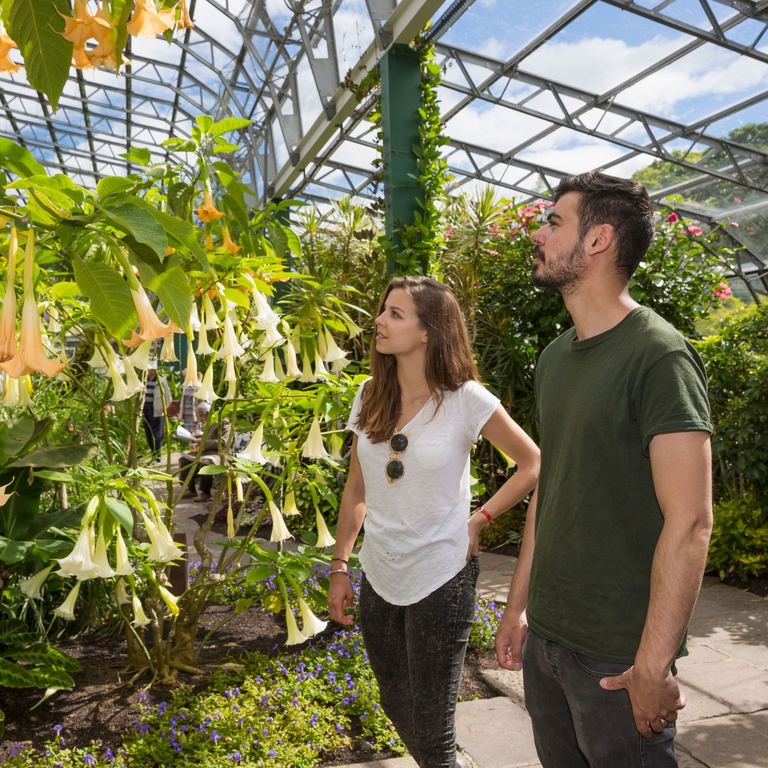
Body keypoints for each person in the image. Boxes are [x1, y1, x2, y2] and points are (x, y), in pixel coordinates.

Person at [494, 172, 713, 768]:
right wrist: (518, 610)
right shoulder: (554, 358)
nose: (537, 234)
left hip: (617, 657)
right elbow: (552, 490)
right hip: (549, 642)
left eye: (554, 221)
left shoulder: (658, 355)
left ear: (598, 241)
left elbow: (691, 522)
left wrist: (651, 665)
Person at [328, 276, 540, 768]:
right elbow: (356, 488)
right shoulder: (368, 395)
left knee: (434, 731)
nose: (379, 320)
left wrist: (480, 519)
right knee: (392, 700)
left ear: (429, 331)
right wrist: (340, 565)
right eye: (384, 310)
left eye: (395, 314)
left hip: (442, 574)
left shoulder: (466, 399)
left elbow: (532, 462)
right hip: (378, 572)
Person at [179, 400, 232, 502]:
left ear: (208, 413)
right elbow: (206, 437)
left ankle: (205, 493)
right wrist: (195, 437)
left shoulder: (224, 422)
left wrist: (203, 442)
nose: (200, 419)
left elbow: (223, 442)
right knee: (184, 460)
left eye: (201, 416)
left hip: (221, 453)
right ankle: (191, 489)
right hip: (208, 452)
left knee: (205, 463)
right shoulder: (207, 423)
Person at [142, 363, 171, 458]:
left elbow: (168, 397)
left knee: (157, 435)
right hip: (146, 410)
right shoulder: (144, 380)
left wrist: (163, 408)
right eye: (149, 369)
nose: (150, 371)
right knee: (148, 434)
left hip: (157, 411)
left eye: (152, 369)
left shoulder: (161, 381)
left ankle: (158, 455)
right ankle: (153, 453)